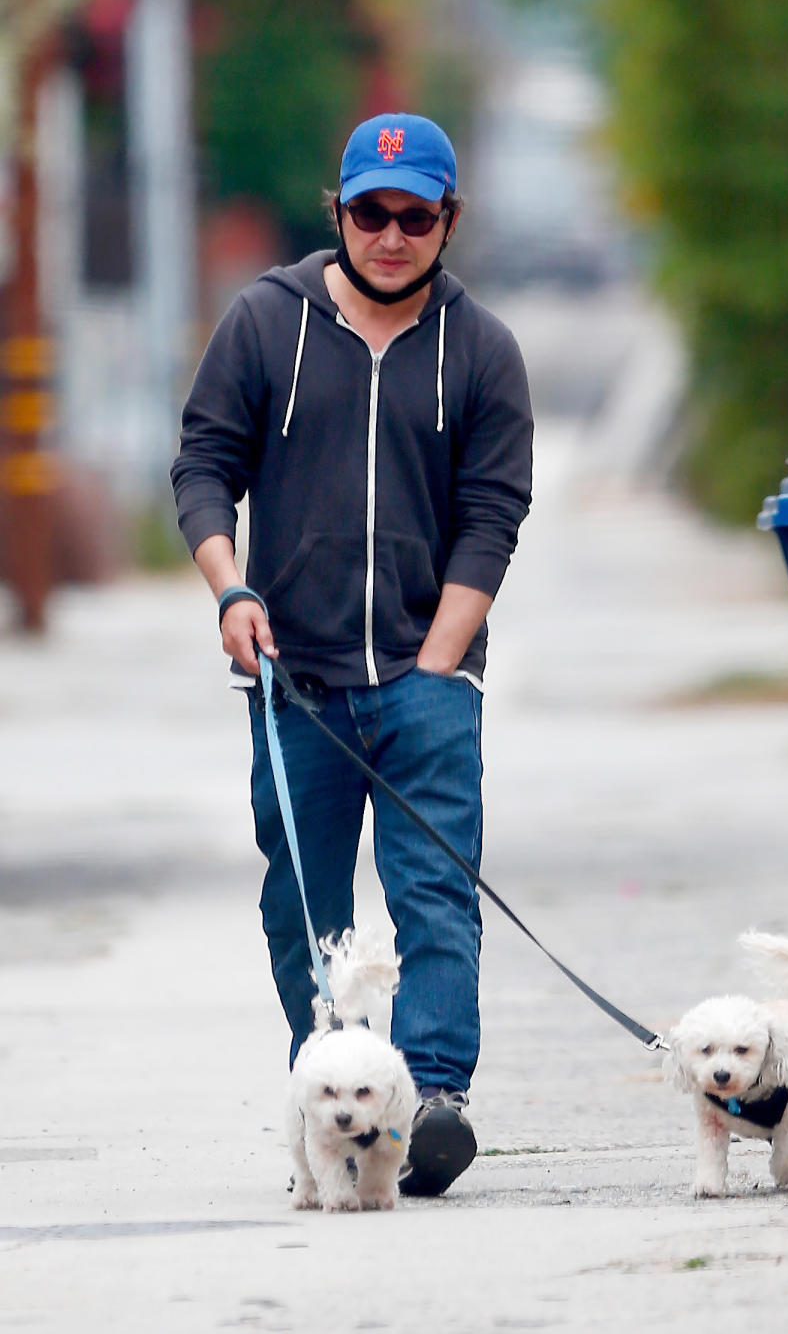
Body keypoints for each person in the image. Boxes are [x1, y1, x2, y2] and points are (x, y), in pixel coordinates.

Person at [171, 112, 533, 1197]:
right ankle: (333, 1092)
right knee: (305, 908)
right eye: (369, 214)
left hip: (427, 679)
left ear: (447, 221)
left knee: (435, 896)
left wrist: (438, 659)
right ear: (338, 214)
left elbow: (493, 511)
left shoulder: (482, 350)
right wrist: (229, 588)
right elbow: (201, 467)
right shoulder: (262, 324)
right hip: (296, 683)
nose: (390, 234)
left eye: (413, 216)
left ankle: (429, 1102)